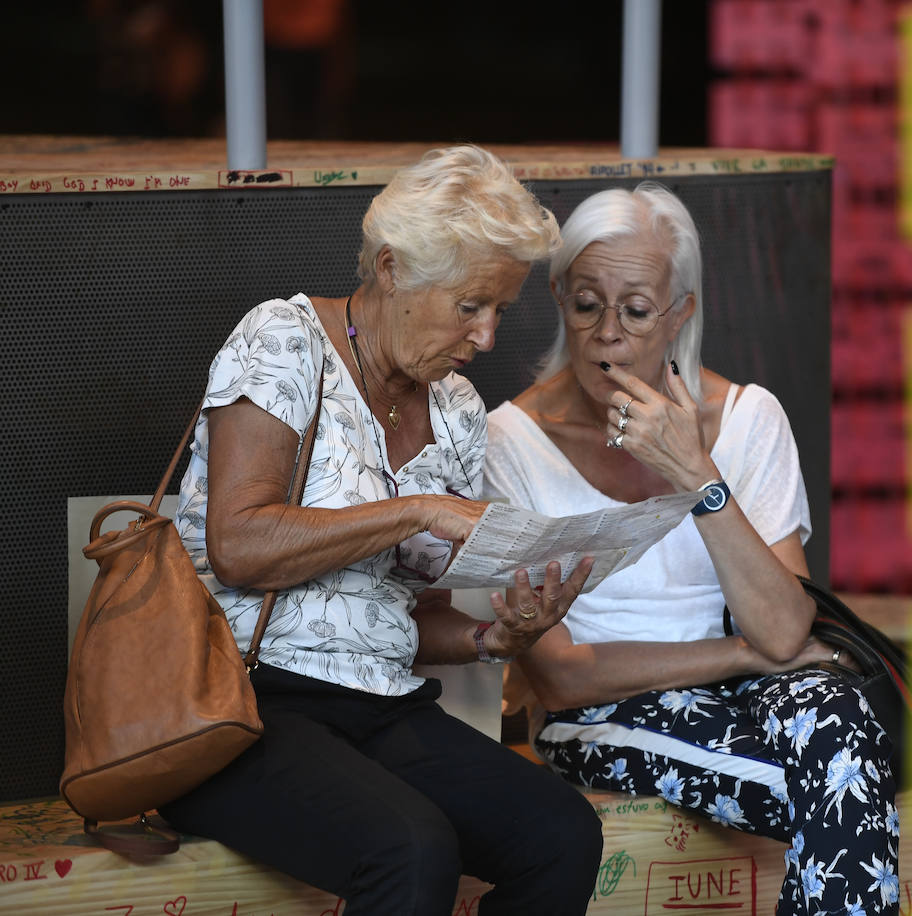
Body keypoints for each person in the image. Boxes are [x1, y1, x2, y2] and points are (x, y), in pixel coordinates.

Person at [164, 145, 603, 916]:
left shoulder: (458, 410)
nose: (489, 336)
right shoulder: (284, 340)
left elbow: (404, 610)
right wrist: (416, 509)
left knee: (562, 832)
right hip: (241, 705)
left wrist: (489, 641)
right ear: (392, 269)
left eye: (501, 309)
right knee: (410, 848)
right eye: (471, 306)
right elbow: (238, 545)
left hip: (381, 706)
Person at [484, 183, 901, 915]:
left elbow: (781, 628)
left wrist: (696, 476)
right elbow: (562, 679)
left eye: (637, 310)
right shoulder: (510, 440)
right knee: (846, 786)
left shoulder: (748, 418)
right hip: (608, 708)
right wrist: (741, 657)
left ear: (681, 313)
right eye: (587, 304)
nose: (607, 333)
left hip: (755, 686)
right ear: (557, 298)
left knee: (837, 729)